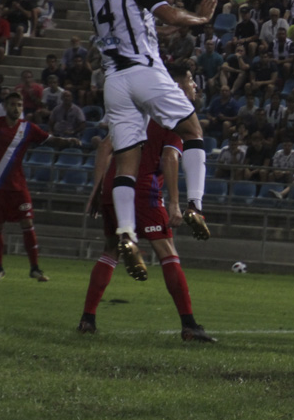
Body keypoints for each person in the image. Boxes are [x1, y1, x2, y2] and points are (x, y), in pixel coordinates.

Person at [86, 0, 215, 281]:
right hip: (144, 73)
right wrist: (200, 21)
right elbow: (168, 11)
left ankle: (127, 233)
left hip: (113, 82)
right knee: (192, 131)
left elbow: (141, 24)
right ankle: (195, 206)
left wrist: (168, 28)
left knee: (127, 161)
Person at [78, 67, 215, 342]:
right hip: (143, 189)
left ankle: (87, 320)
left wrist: (96, 189)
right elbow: (170, 158)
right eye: (190, 81)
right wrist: (175, 203)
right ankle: (189, 325)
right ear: (176, 85)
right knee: (167, 251)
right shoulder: (175, 113)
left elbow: (105, 147)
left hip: (113, 186)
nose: (195, 88)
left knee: (110, 250)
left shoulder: (138, 104)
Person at [0, 93, 79, 281]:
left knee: (28, 223)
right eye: (13, 104)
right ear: (5, 106)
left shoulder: (28, 128)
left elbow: (50, 139)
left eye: (19, 104)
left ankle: (35, 268)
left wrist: (68, 141)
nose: (16, 108)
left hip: (18, 186)